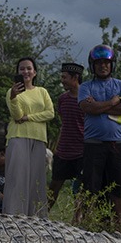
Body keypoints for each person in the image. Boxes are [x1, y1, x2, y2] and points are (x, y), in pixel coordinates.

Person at [78, 45, 121, 222]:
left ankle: (118, 222)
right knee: (90, 185)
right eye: (99, 63)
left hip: (118, 143)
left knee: (118, 185)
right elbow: (87, 108)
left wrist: (98, 105)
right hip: (93, 143)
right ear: (92, 65)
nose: (103, 66)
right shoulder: (85, 86)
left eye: (106, 63)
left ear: (112, 65)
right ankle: (88, 221)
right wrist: (112, 102)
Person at [3, 57, 55, 217]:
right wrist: (14, 97)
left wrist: (28, 117)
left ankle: (36, 216)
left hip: (38, 138)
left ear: (35, 72)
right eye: (22, 69)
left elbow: (50, 113)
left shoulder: (42, 92)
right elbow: (17, 115)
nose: (25, 72)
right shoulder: (12, 93)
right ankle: (14, 215)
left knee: (37, 180)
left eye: (29, 68)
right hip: (18, 137)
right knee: (17, 178)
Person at [48, 62, 85, 213]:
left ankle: (78, 218)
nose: (62, 80)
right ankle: (43, 214)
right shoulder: (62, 99)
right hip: (63, 150)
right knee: (54, 185)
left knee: (81, 189)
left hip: (82, 150)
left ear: (75, 78)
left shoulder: (87, 99)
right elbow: (64, 123)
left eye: (65, 77)